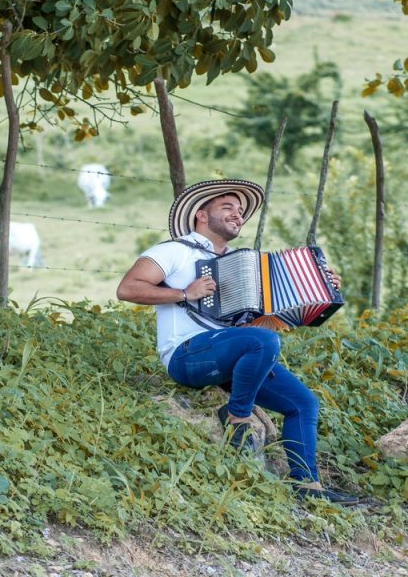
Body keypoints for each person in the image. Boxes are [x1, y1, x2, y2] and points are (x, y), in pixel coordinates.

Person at [116, 179, 359, 505]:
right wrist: (185, 293)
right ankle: (237, 416)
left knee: (303, 403)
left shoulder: (243, 263)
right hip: (186, 356)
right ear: (201, 214)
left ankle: (307, 487)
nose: (237, 215)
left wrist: (320, 292)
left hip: (232, 354)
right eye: (227, 207)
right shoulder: (173, 251)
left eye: (241, 211)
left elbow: (257, 325)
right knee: (262, 341)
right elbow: (127, 288)